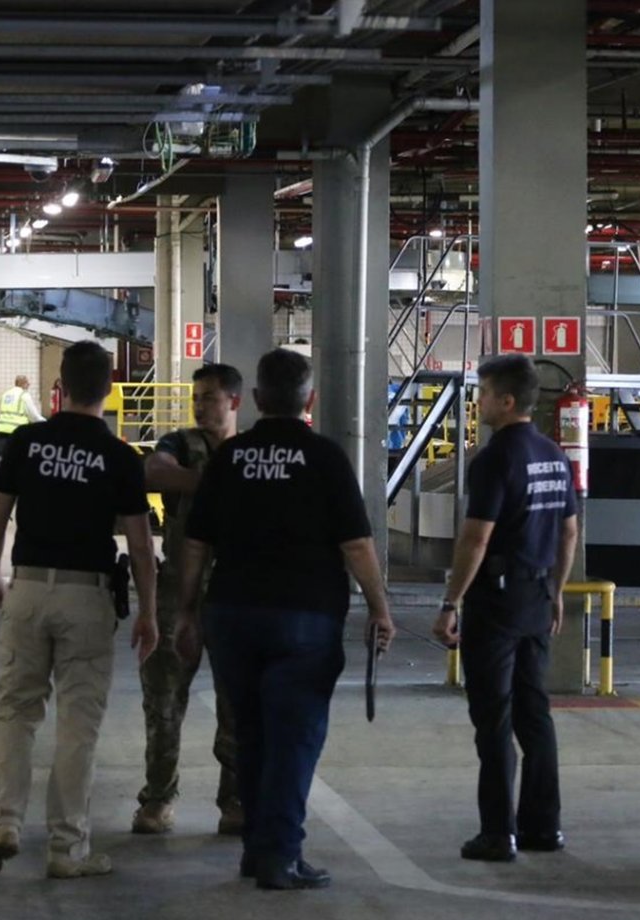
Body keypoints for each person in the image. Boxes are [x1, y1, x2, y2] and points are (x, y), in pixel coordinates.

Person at [175, 348, 396, 891]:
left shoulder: (229, 458)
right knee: (294, 738)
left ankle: (257, 848)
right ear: (310, 401)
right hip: (305, 618)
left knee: (250, 735)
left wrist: (186, 612)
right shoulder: (324, 458)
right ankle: (281, 855)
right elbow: (357, 544)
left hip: (232, 615)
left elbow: (196, 544)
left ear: (254, 401)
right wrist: (379, 606)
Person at [0, 340, 158, 880]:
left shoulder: (27, 442)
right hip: (87, 594)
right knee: (78, 724)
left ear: (61, 389)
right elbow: (141, 546)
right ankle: (66, 849)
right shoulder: (121, 456)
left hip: (28, 588)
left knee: (15, 712)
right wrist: (149, 612)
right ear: (110, 388)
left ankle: (3, 823)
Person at [431, 354, 578, 863]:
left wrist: (451, 602)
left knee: (493, 717)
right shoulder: (553, 456)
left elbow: (476, 537)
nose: (479, 400)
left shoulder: (494, 459)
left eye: (484, 392)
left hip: (495, 601)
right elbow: (568, 530)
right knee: (534, 714)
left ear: (507, 401)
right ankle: (544, 827)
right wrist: (556, 590)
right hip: (537, 597)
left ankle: (498, 832)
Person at [133, 363, 244, 836]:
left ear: (234, 402)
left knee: (236, 703)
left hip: (235, 593)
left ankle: (235, 800)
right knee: (163, 702)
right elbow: (154, 473)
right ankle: (158, 798)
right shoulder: (179, 443)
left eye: (210, 398)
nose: (200, 405)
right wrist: (221, 486)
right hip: (178, 587)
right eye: (196, 397)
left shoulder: (248, 450)